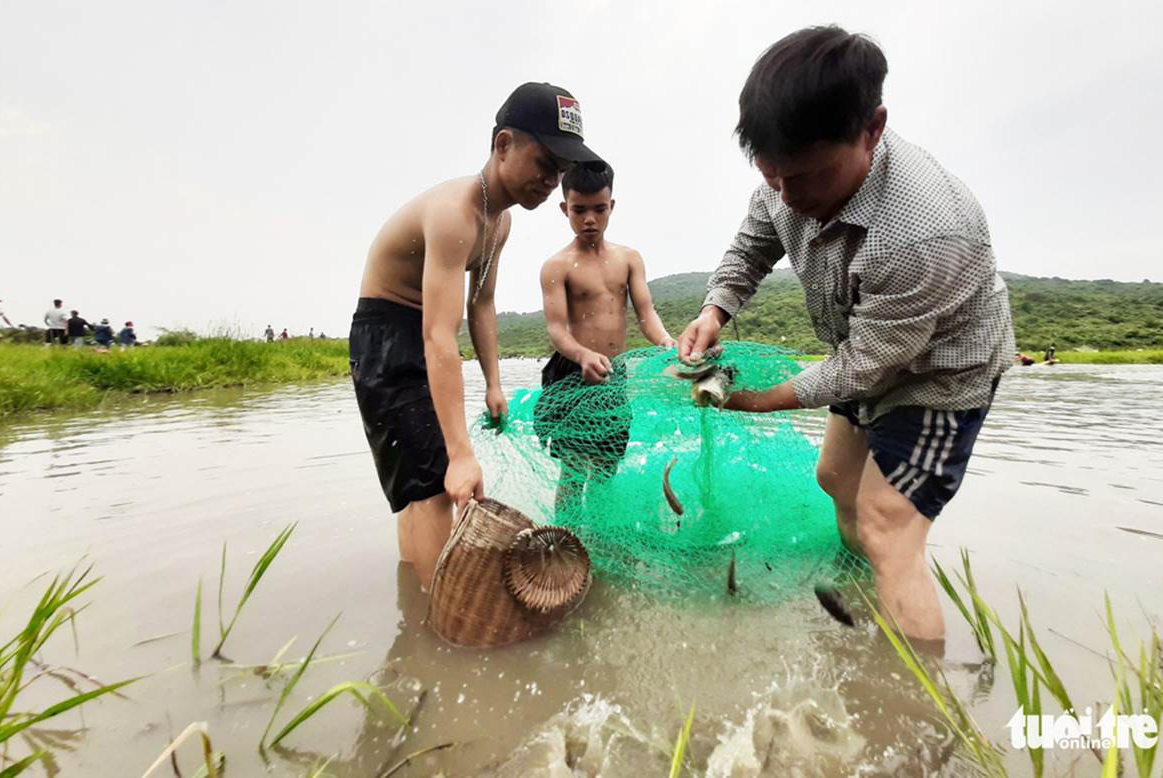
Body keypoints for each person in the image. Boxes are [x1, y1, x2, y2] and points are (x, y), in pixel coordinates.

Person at [677, 27, 1015, 642]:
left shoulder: (926, 229)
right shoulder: (785, 184)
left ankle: (918, 705)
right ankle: (863, 606)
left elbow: (866, 367)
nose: (790, 196)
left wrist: (759, 400)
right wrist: (714, 310)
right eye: (773, 177)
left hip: (938, 376)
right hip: (862, 350)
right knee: (835, 479)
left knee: (889, 526)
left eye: (807, 176)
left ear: (873, 128)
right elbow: (753, 243)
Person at [350, 81, 601, 591]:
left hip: (418, 331)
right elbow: (440, 337)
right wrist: (463, 453)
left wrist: (492, 382)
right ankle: (439, 625)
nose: (551, 180)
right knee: (433, 486)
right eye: (544, 162)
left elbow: (480, 303)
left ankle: (416, 597)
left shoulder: (499, 220)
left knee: (423, 482)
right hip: (387, 333)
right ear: (503, 144)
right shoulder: (456, 215)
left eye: (560, 171)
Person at [534, 161, 676, 514]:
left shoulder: (628, 258)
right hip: (571, 374)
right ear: (564, 208)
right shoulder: (557, 265)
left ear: (612, 205)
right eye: (579, 210)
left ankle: (597, 540)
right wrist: (582, 355)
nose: (589, 220)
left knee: (606, 466)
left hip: (613, 376)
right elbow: (556, 329)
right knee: (574, 469)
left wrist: (667, 342)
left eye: (599, 209)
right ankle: (565, 542)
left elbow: (646, 313)